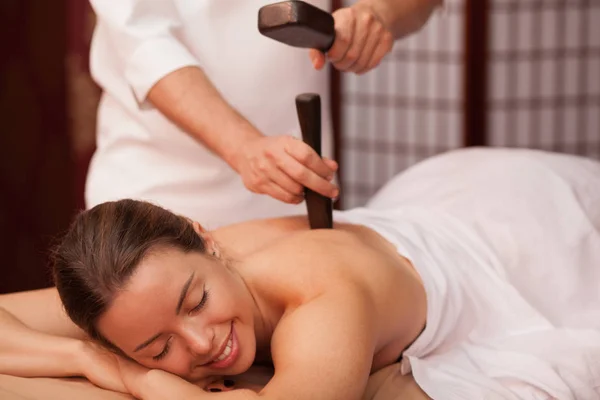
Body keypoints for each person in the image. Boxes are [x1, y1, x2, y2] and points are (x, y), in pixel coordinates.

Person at [2, 147, 599, 399]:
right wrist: (90, 360)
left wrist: (146, 379)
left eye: (195, 302)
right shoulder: (145, 289)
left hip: (519, 232)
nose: (201, 342)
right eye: (158, 348)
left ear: (205, 238)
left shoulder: (321, 300)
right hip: (412, 219)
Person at [85, 0, 444, 228]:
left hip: (288, 200)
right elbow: (142, 42)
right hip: (158, 198)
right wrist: (245, 148)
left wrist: (377, 15)